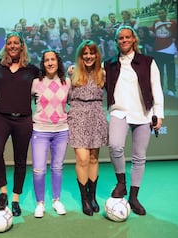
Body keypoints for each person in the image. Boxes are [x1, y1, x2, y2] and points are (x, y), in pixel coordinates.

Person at [103, 25, 164, 215]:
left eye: (127, 37)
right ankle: (121, 183)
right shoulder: (110, 64)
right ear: (116, 41)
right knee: (115, 146)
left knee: (139, 157)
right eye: (120, 38)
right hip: (119, 112)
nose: (124, 40)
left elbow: (157, 88)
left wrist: (158, 114)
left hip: (143, 114)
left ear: (134, 39)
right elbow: (94, 76)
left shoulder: (148, 62)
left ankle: (134, 197)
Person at [0, 31, 39, 217]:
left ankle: (15, 198)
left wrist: (70, 70)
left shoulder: (32, 69)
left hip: (23, 120)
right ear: (5, 46)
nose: (13, 46)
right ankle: (3, 192)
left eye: (16, 42)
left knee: (20, 159)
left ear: (22, 46)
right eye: (9, 43)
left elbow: (51, 76)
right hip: (1, 117)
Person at [67, 40, 108, 216]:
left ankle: (92, 197)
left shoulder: (103, 74)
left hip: (96, 114)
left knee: (93, 158)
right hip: (77, 114)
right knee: (82, 158)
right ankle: (84, 198)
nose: (89, 56)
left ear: (97, 55)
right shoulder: (72, 73)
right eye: (85, 53)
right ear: (80, 56)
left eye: (92, 53)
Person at [31, 49, 71, 218]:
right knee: (39, 169)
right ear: (43, 63)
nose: (50, 63)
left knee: (57, 168)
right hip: (40, 130)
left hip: (61, 130)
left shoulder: (67, 82)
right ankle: (40, 203)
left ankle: (56, 200)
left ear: (58, 62)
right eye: (46, 60)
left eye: (53, 59)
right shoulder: (35, 83)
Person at [150, 6, 178, 97]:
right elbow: (151, 33)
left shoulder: (173, 23)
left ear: (166, 12)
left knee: (171, 71)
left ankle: (171, 89)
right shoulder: (156, 23)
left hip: (169, 50)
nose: (161, 14)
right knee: (159, 72)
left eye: (162, 12)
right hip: (158, 51)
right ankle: (160, 89)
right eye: (159, 13)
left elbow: (176, 36)